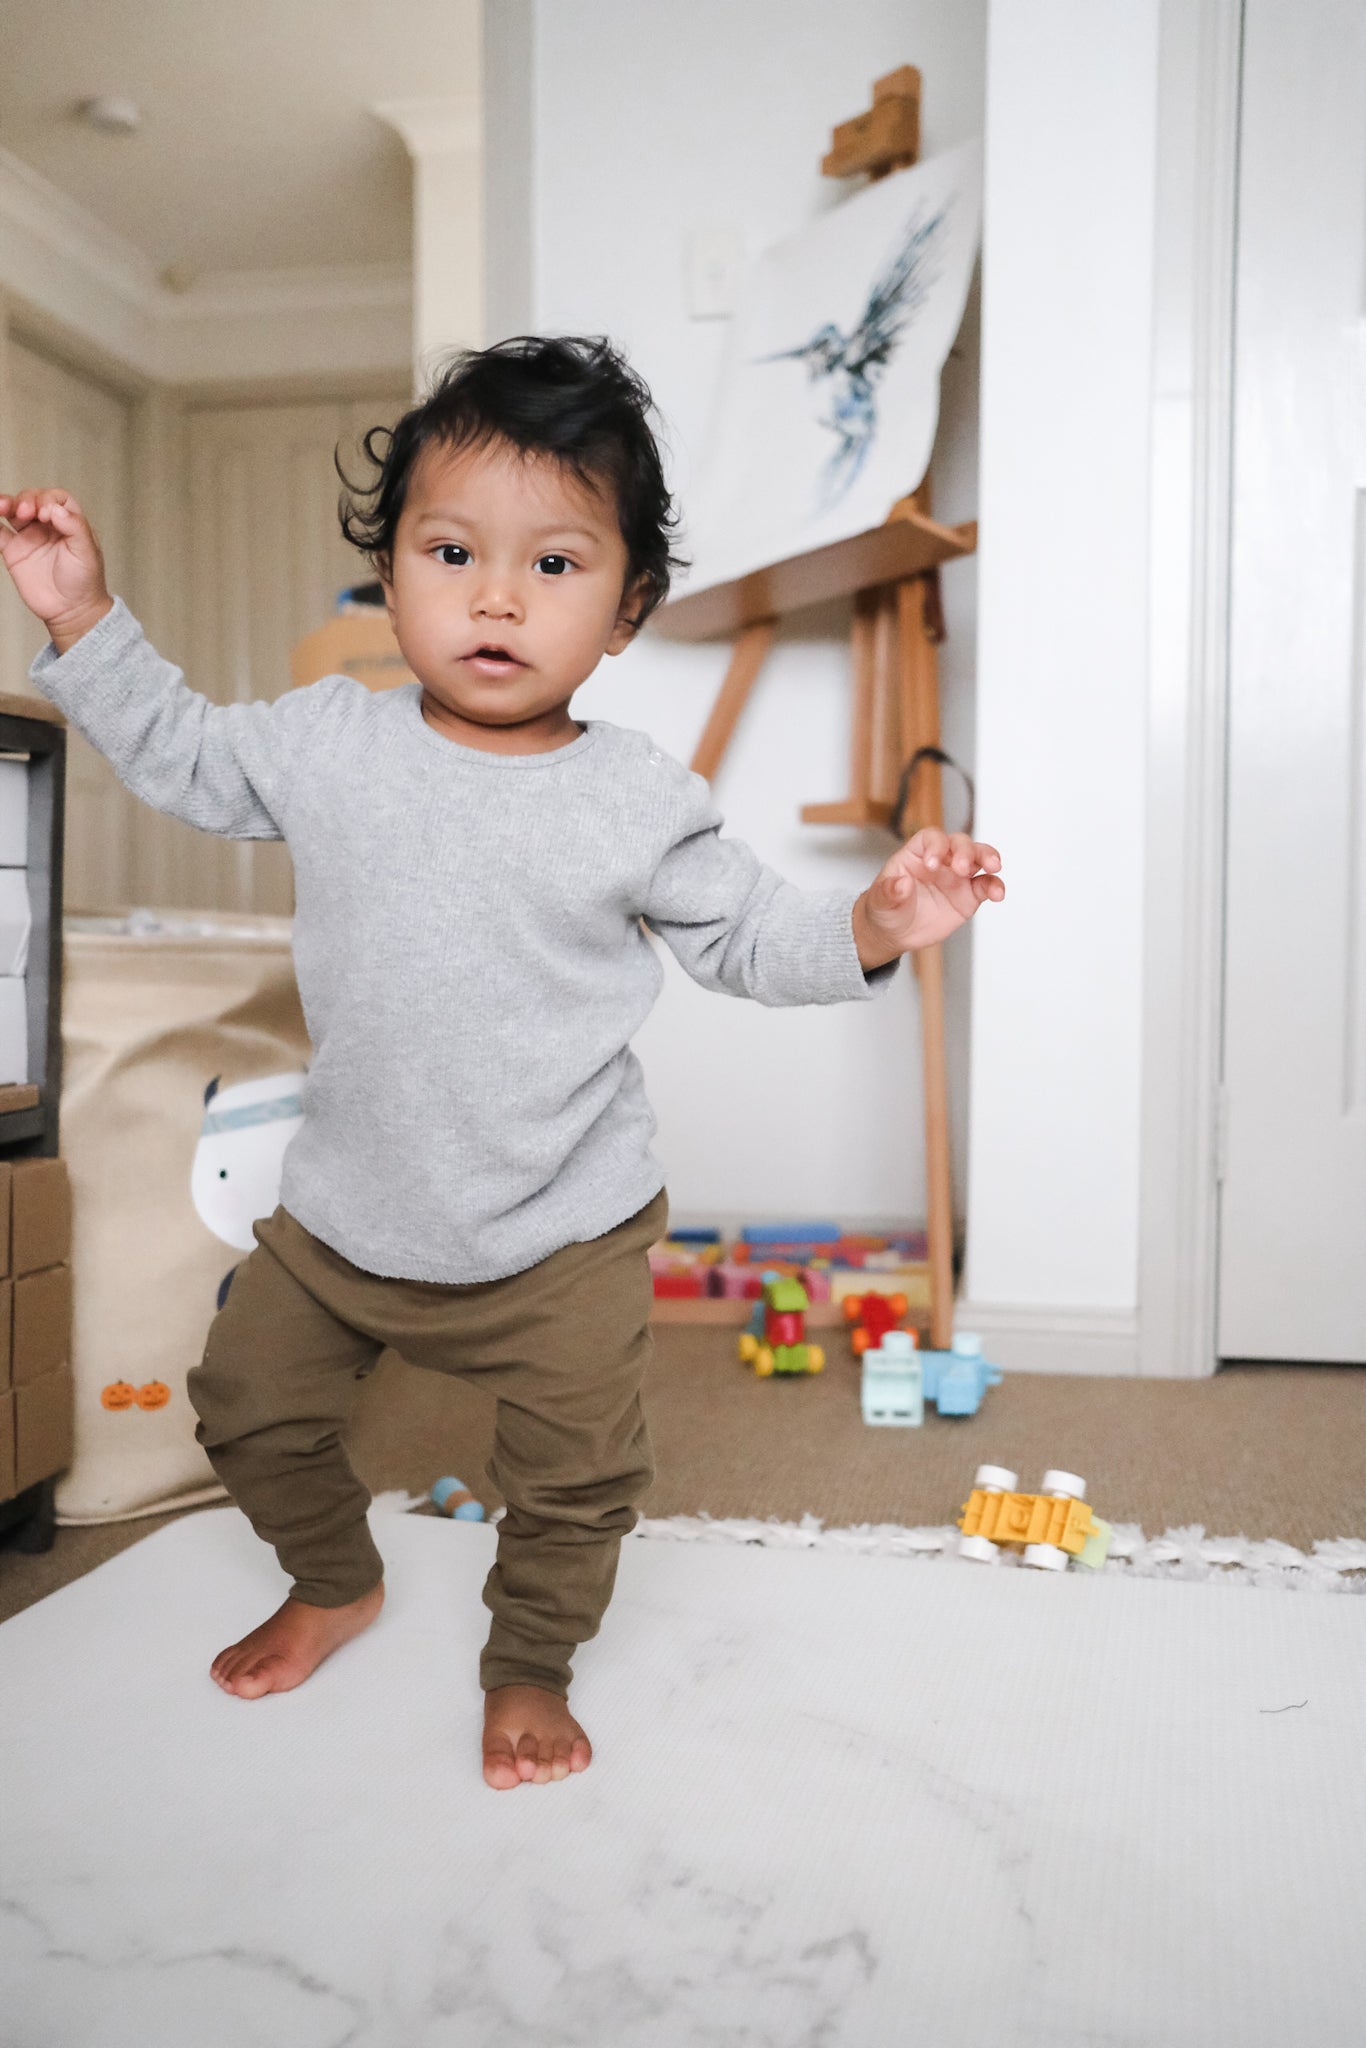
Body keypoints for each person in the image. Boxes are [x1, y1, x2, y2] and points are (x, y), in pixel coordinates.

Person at [0, 335, 1004, 1790]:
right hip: (346, 1209)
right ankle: (336, 1581)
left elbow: (751, 942)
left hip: (560, 1229)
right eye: (452, 549)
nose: (492, 596)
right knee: (247, 1404)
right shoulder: (328, 741)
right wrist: (85, 615)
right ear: (391, 572)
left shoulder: (634, 800)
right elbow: (183, 753)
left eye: (554, 565)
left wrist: (874, 917)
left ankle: (530, 1657)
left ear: (623, 612)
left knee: (578, 1481)